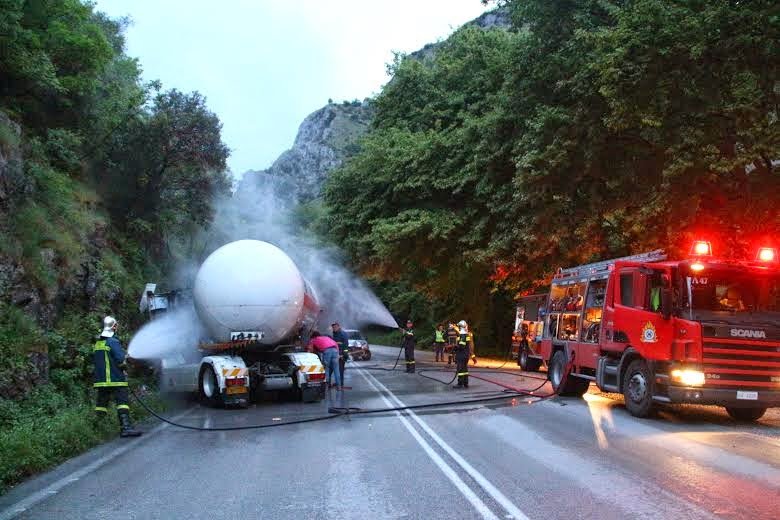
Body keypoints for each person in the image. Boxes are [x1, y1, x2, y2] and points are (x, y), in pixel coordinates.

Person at [93, 316, 142, 437]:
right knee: (122, 402)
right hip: (115, 379)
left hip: (101, 381)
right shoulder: (113, 342)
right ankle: (126, 428)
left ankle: (97, 430)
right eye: (116, 326)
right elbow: (121, 361)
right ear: (114, 327)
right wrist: (126, 360)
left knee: (101, 405)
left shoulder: (98, 343)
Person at [453, 320, 470, 388]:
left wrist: (455, 347)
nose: (458, 328)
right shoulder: (466, 334)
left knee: (460, 369)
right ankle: (465, 383)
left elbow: (461, 346)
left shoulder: (462, 335)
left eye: (459, 326)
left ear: (461, 327)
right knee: (465, 369)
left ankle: (460, 383)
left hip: (461, 355)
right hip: (466, 355)